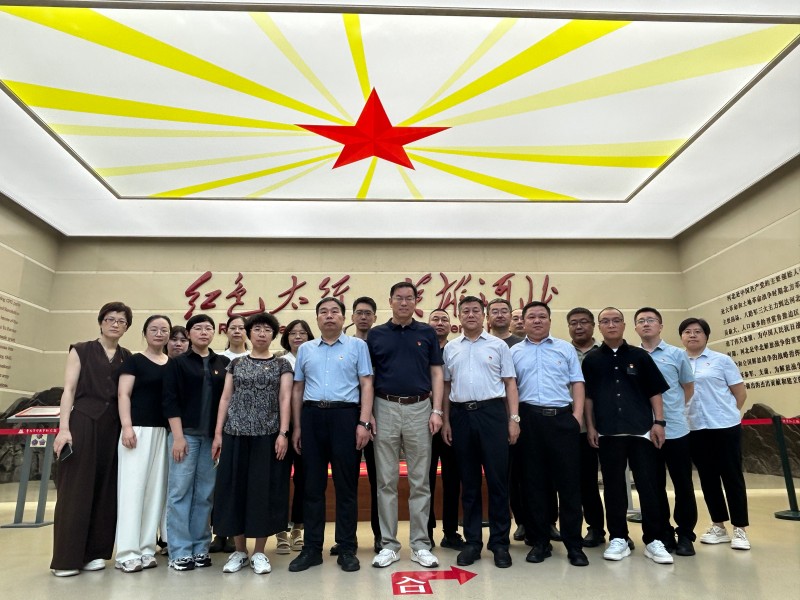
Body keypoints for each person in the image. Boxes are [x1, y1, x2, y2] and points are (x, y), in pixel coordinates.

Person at [288, 297, 374, 573]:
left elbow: (366, 384)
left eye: (334, 311)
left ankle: (347, 548)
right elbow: (298, 389)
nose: (329, 316)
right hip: (312, 417)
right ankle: (312, 548)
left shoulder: (357, 346)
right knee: (312, 487)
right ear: (317, 318)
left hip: (345, 417)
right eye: (323, 311)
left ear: (343, 317)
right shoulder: (306, 349)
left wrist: (364, 423)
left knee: (346, 486)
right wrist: (297, 427)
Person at [582, 307, 673, 565]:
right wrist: (591, 427)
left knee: (648, 486)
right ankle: (618, 537)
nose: (611, 325)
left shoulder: (639, 356)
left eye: (616, 320)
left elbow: (655, 391)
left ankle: (653, 540)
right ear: (599, 327)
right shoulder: (591, 360)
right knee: (613, 489)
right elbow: (588, 397)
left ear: (623, 325)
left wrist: (659, 422)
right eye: (605, 321)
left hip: (641, 431)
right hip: (608, 433)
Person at [51, 301, 133, 577]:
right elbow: (69, 389)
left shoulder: (127, 356)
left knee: (106, 488)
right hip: (83, 422)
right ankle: (66, 559)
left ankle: (95, 553)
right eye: (110, 319)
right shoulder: (81, 349)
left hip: (113, 427)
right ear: (100, 322)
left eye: (121, 321)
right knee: (75, 489)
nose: (115, 324)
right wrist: (64, 428)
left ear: (126, 327)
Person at [368, 282, 444, 569]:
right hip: (384, 407)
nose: (403, 302)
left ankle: (421, 544)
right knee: (386, 481)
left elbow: (436, 373)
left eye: (409, 298)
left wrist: (437, 410)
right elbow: (368, 376)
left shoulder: (427, 333)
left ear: (415, 302)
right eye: (398, 298)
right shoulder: (376, 335)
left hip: (420, 408)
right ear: (390, 301)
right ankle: (389, 544)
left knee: (420, 481)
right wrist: (368, 413)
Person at [211, 312, 293, 575]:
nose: (261, 333)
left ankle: (259, 552)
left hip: (267, 436)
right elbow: (225, 398)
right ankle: (239, 551)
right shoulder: (236, 364)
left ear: (273, 335)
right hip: (235, 433)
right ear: (249, 333)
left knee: (261, 492)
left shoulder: (282, 364)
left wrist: (283, 433)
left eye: (267, 330)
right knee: (234, 490)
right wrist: (218, 433)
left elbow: (285, 399)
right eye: (256, 329)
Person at [442, 297, 518, 568]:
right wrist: (446, 420)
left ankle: (499, 543)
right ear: (459, 316)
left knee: (498, 482)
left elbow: (510, 384)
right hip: (461, 416)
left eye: (476, 310)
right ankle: (473, 542)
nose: (471, 314)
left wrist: (513, 419)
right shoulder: (451, 348)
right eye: (466, 311)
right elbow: (446, 387)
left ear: (483, 315)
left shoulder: (498, 346)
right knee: (469, 483)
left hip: (492, 415)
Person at [512, 301, 588, 567]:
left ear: (549, 321)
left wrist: (577, 417)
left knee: (569, 485)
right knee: (534, 484)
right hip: (529, 420)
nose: (537, 320)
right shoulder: (514, 352)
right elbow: (510, 388)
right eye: (531, 317)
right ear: (523, 322)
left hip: (562, 420)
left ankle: (574, 545)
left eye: (542, 316)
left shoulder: (565, 349)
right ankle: (540, 541)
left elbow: (577, 383)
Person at [162, 314, 230, 571]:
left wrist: (219, 435)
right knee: (180, 492)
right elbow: (170, 400)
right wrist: (178, 437)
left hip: (211, 437)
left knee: (204, 494)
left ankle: (200, 547)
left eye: (208, 328)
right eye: (198, 328)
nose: (203, 332)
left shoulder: (222, 363)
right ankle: (179, 550)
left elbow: (226, 401)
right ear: (189, 333)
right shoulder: (177, 363)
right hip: (185, 435)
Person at [680, 317, 751, 551]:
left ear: (706, 336)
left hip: (724, 427)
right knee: (708, 478)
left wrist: (727, 414)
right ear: (682, 337)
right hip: (694, 427)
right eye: (687, 331)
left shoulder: (722, 360)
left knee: (732, 476)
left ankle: (740, 528)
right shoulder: (679, 361)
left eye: (697, 331)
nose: (692, 335)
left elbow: (740, 393)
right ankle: (718, 526)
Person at [635, 307, 697, 556]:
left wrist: (673, 411)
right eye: (641, 321)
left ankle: (686, 534)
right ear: (635, 328)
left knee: (683, 485)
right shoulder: (633, 356)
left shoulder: (676, 354)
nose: (646, 324)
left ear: (660, 326)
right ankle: (663, 532)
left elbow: (688, 387)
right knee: (653, 486)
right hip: (644, 433)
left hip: (676, 430)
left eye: (651, 320)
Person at [115, 314, 172, 573]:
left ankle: (147, 548)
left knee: (155, 492)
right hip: (137, 431)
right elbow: (123, 394)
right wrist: (127, 426)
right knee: (132, 491)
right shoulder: (134, 361)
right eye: (154, 329)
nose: (159, 334)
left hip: (162, 433)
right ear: (145, 333)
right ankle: (127, 552)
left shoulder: (172, 364)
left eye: (164, 330)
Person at [335, 297, 383, 555]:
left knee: (378, 478)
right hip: (346, 417)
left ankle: (380, 536)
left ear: (375, 317)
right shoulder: (345, 345)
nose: (363, 317)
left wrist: (371, 414)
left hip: (378, 417)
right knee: (346, 481)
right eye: (359, 313)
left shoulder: (381, 343)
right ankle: (346, 539)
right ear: (351, 317)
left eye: (368, 313)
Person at [566, 307, 605, 548]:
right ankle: (594, 528)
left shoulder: (605, 352)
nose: (579, 327)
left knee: (614, 482)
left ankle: (619, 532)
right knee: (585, 481)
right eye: (573, 323)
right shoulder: (562, 351)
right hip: (578, 427)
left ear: (593, 325)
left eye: (583, 322)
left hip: (608, 425)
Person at [275, 319, 315, 554]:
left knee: (304, 479)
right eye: (293, 333)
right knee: (279, 479)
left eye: (303, 333)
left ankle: (298, 528)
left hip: (306, 426)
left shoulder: (314, 358)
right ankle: (280, 530)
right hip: (280, 428)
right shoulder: (279, 361)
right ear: (286, 337)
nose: (298, 336)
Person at [427, 308, 464, 550]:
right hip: (424, 422)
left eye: (444, 320)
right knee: (425, 479)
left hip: (452, 422)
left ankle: (450, 532)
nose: (440, 323)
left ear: (450, 325)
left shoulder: (456, 349)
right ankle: (426, 532)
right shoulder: (421, 348)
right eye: (435, 319)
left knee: (453, 479)